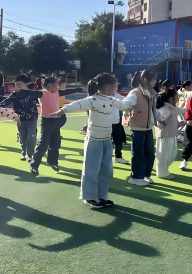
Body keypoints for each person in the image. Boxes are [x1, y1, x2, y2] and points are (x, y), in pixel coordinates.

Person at [51, 74, 132, 209]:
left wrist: (136, 103)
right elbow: (78, 104)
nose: (116, 88)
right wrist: (63, 110)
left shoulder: (111, 100)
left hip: (107, 140)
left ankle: (102, 196)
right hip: (94, 140)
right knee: (91, 169)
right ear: (107, 86)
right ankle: (89, 196)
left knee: (106, 170)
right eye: (115, 85)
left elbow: (125, 105)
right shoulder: (93, 99)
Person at [122, 70, 165, 186]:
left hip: (148, 128)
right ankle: (135, 177)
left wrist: (160, 118)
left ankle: (146, 175)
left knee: (150, 153)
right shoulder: (135, 93)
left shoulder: (151, 93)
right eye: (154, 79)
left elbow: (152, 109)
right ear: (146, 80)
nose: (156, 81)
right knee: (138, 153)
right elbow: (125, 103)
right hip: (137, 128)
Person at [28, 77, 68, 175]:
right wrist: (19, 91)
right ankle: (34, 165)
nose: (58, 86)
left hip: (56, 121)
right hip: (47, 122)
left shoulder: (57, 92)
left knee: (56, 143)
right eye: (56, 84)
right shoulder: (42, 93)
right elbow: (29, 93)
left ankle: (52, 162)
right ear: (50, 85)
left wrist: (82, 89)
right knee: (43, 144)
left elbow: (70, 91)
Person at [0, 74, 40, 161]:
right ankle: (24, 153)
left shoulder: (32, 93)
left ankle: (29, 154)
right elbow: (6, 102)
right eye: (16, 84)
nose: (17, 86)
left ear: (26, 84)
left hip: (32, 119)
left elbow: (44, 97)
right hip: (19, 119)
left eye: (20, 84)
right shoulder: (14, 94)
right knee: (22, 137)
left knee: (31, 138)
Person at [155, 89, 186, 180]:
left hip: (171, 135)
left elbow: (181, 110)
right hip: (164, 136)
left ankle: (161, 169)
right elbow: (159, 118)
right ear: (171, 99)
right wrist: (161, 122)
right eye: (176, 97)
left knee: (172, 153)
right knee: (164, 155)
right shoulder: (165, 109)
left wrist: (190, 108)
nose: (178, 98)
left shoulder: (173, 108)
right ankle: (161, 172)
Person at [111, 83, 128, 164]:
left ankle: (118, 157)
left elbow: (127, 100)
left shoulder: (117, 96)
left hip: (116, 123)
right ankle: (102, 158)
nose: (117, 88)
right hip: (105, 123)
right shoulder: (102, 97)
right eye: (115, 86)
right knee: (105, 142)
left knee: (118, 141)